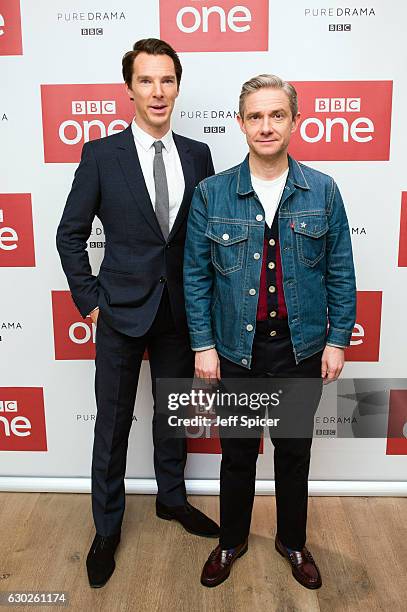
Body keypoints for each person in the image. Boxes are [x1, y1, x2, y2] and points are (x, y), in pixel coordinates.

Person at [56, 38, 219, 589]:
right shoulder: (101, 155)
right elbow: (69, 235)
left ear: (178, 86)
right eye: (146, 80)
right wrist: (91, 303)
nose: (157, 91)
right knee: (112, 424)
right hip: (119, 314)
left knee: (173, 416)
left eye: (167, 80)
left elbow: (202, 240)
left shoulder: (198, 155)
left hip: (180, 312)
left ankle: (171, 500)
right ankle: (106, 527)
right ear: (129, 88)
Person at [183, 74, 356, 589]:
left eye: (277, 114)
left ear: (295, 121)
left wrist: (337, 339)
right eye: (255, 116)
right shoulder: (212, 193)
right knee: (236, 453)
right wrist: (204, 345)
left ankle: (292, 541)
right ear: (240, 123)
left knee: (295, 452)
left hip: (300, 349)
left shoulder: (323, 189)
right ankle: (231, 539)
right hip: (237, 350)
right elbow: (195, 275)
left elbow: (341, 270)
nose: (266, 126)